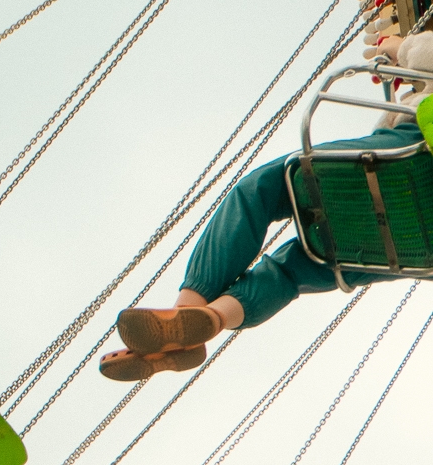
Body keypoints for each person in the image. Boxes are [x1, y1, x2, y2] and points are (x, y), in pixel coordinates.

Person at [100, 32, 433, 380]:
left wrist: (397, 47)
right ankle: (213, 320)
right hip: (419, 245)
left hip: (409, 156)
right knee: (297, 269)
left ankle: (188, 310)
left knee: (262, 190)